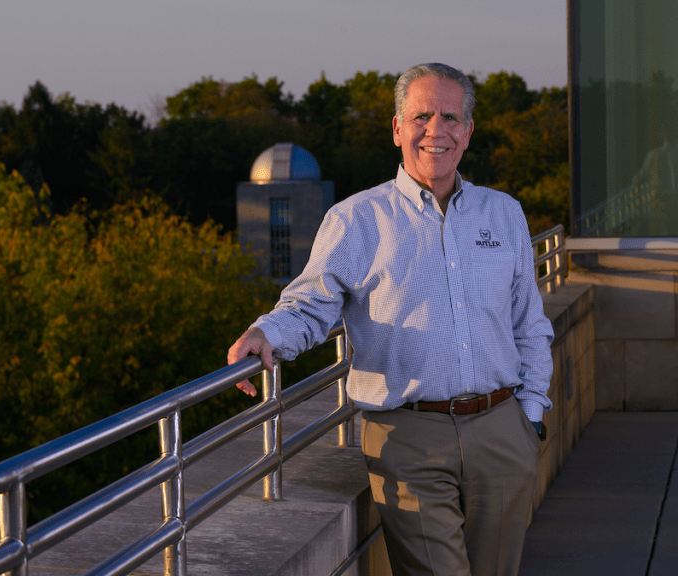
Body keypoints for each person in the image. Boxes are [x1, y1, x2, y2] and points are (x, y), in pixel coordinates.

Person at [227, 62, 553, 576]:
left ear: (468, 131)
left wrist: (530, 416)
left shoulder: (503, 214)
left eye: (450, 116)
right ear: (397, 128)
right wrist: (267, 332)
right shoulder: (356, 220)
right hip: (409, 436)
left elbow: (529, 324)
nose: (435, 130)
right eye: (421, 115)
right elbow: (311, 302)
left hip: (502, 432)